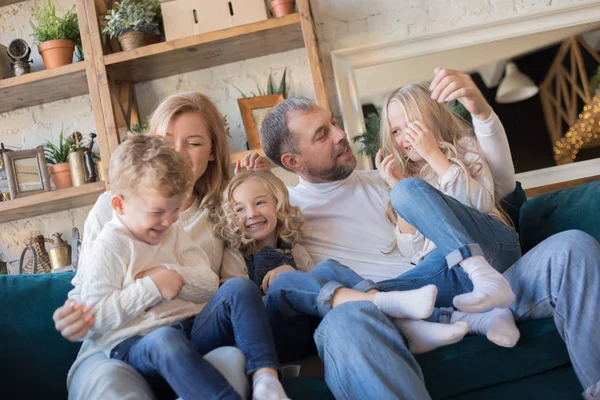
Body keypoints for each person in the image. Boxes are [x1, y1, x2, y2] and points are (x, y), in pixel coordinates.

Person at [258, 68, 600, 399]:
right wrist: (252, 190)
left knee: (572, 246)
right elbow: (252, 255)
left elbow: (499, 188)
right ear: (293, 162)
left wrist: (480, 113)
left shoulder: (396, 175)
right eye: (322, 134)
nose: (340, 133)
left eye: (333, 122)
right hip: (399, 308)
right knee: (340, 314)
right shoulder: (286, 211)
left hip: (477, 278)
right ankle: (429, 316)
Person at [54, 92, 246, 400]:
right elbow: (89, 297)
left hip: (187, 342)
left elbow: (228, 290)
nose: (179, 153)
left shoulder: (221, 213)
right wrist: (78, 314)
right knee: (113, 388)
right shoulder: (111, 207)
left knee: (230, 364)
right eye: (167, 140)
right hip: (112, 349)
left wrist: (171, 275)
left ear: (212, 151)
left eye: (193, 143)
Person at [71, 134, 288, 400]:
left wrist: (173, 275)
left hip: (190, 329)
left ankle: (267, 382)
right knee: (164, 339)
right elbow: (95, 317)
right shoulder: (110, 246)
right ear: (119, 204)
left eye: (174, 210)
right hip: (135, 344)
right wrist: (152, 287)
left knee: (239, 288)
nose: (169, 221)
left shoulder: (172, 231)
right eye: (158, 212)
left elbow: (208, 283)